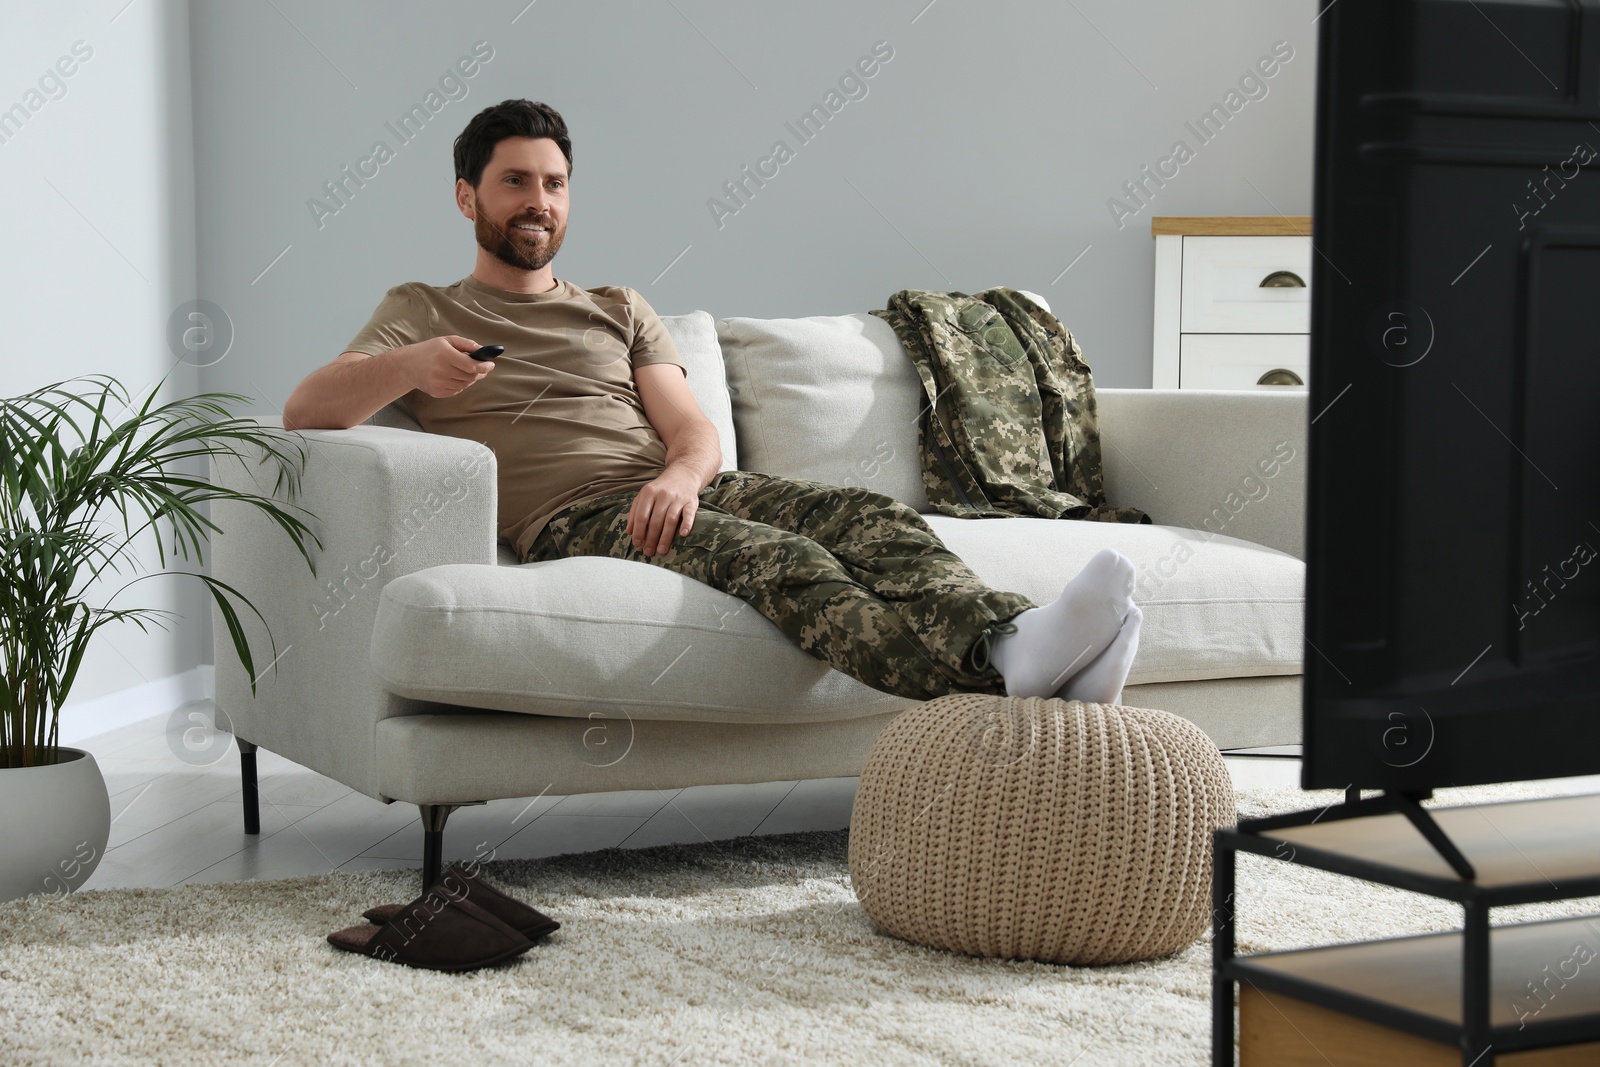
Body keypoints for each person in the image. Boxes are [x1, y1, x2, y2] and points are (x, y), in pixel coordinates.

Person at [283, 99, 1142, 704]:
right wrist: (411, 368)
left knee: (872, 519)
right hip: (573, 516)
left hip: (679, 491)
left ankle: (1018, 645)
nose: (537, 202)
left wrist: (683, 478)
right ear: (468, 196)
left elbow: (691, 429)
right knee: (789, 564)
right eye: (514, 182)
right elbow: (307, 409)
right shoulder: (422, 309)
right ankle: (1018, 663)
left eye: (554, 183)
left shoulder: (615, 306)